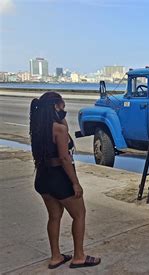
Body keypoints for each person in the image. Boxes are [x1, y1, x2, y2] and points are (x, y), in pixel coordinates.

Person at [30, 92, 101, 268]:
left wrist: (60, 117)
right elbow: (64, 158)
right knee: (79, 215)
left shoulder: (38, 127)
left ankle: (56, 257)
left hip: (43, 177)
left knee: (54, 216)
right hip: (59, 178)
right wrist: (75, 182)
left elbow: (61, 134)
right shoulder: (58, 129)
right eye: (62, 106)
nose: (64, 109)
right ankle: (79, 256)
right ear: (56, 106)